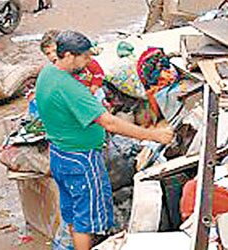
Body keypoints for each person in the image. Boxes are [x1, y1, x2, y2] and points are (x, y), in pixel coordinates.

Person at [36, 30, 174, 250]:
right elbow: (110, 123)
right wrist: (154, 135)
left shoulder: (47, 73)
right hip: (81, 159)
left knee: (72, 214)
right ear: (70, 55)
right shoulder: (70, 88)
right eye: (85, 56)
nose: (89, 60)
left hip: (59, 155)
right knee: (85, 222)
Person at [40, 29, 105, 96]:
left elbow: (98, 72)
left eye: (54, 50)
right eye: (48, 53)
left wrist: (94, 86)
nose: (52, 55)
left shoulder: (83, 60)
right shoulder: (52, 70)